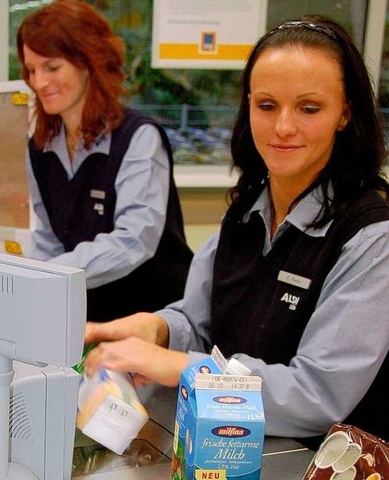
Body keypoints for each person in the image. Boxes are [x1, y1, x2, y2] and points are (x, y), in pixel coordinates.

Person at [84, 15, 389, 443]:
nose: (283, 127)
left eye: (309, 108)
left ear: (345, 113)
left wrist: (181, 366)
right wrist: (159, 329)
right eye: (266, 105)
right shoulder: (244, 212)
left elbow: (317, 395)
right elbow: (201, 320)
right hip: (225, 448)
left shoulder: (371, 238)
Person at [16, 0, 193, 323]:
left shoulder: (138, 138)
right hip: (88, 318)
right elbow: (48, 237)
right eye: (31, 70)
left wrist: (46, 277)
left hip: (151, 318)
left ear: (89, 62)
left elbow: (134, 239)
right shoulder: (39, 147)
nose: (39, 82)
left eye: (52, 67)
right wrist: (35, 286)